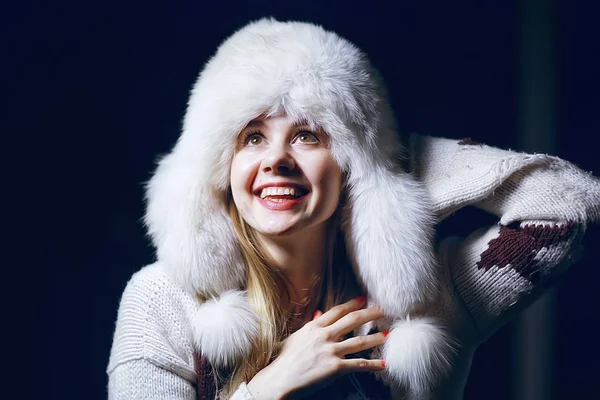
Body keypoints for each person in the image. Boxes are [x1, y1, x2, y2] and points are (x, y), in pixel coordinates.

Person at [107, 18, 600, 399]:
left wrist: (392, 159)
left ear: (349, 163)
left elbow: (569, 205)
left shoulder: (428, 301)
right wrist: (272, 386)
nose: (277, 158)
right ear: (219, 167)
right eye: (252, 137)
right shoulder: (162, 301)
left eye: (307, 135)